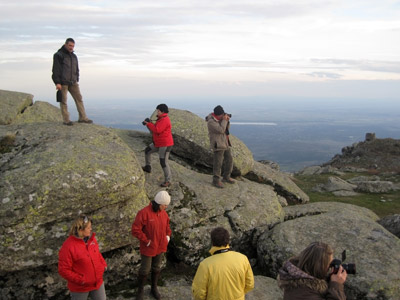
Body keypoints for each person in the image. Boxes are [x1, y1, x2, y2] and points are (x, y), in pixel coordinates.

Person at [192, 227, 254, 300]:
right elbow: (250, 284)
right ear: (228, 240)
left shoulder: (205, 265)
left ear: (212, 242)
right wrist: (238, 295)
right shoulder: (243, 259)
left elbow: (199, 293)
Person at [131, 191, 172, 300]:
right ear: (159, 203)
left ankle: (154, 287)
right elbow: (135, 229)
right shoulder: (144, 213)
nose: (166, 207)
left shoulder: (164, 214)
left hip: (161, 246)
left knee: (157, 267)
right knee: (145, 269)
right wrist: (146, 241)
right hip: (148, 247)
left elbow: (167, 227)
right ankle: (140, 290)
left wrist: (167, 236)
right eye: (165, 205)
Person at [58, 214, 107, 300]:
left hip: (98, 282)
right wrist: (81, 280)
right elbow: (63, 269)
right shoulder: (68, 246)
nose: (91, 229)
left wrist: (103, 265)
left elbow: (98, 254)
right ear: (80, 229)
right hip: (80, 288)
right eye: (88, 228)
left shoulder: (92, 239)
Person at [278, 241, 347, 300]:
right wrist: (336, 285)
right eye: (329, 265)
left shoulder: (297, 279)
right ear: (319, 267)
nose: (330, 268)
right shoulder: (303, 293)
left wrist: (330, 279)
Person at [52, 38, 93, 126]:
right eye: (70, 45)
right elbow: (56, 70)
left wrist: (77, 78)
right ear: (65, 44)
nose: (71, 47)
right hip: (63, 82)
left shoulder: (74, 56)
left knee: (79, 99)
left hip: (73, 82)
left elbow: (77, 68)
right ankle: (66, 120)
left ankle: (83, 118)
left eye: (73, 46)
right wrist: (57, 82)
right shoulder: (58, 55)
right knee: (63, 101)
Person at [142, 104, 174, 187]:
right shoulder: (161, 118)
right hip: (159, 143)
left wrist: (149, 124)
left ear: (162, 111)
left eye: (158, 110)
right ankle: (148, 166)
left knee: (163, 162)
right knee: (147, 150)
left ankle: (168, 181)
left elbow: (157, 130)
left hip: (165, 144)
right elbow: (156, 128)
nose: (157, 112)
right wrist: (149, 123)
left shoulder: (165, 119)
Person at [205, 105, 234, 188]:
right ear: (217, 115)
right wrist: (224, 120)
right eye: (222, 115)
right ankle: (216, 181)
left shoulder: (220, 119)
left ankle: (226, 177)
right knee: (218, 163)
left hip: (225, 142)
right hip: (218, 144)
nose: (223, 116)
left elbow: (226, 129)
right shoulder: (211, 121)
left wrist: (226, 121)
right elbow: (221, 130)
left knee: (229, 160)